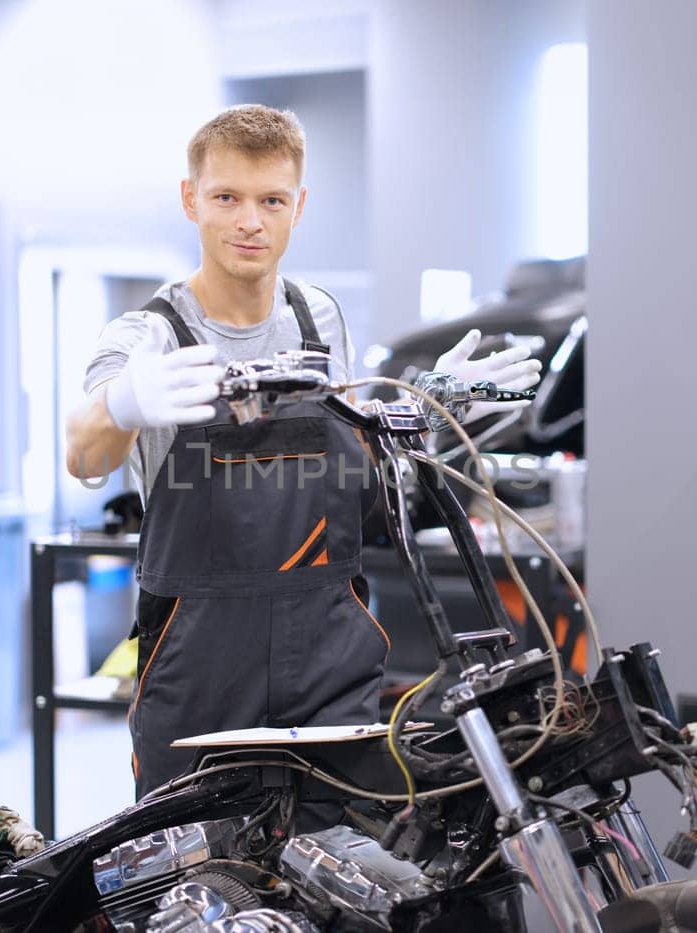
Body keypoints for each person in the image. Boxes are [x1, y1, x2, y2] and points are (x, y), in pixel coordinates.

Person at [64, 104, 541, 801]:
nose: (249, 221)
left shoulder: (320, 318)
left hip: (327, 656)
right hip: (200, 668)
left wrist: (430, 405)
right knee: (195, 883)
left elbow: (351, 450)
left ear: (299, 207)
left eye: (270, 200)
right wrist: (121, 404)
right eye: (227, 197)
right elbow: (83, 454)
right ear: (191, 199)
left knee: (340, 873)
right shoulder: (150, 335)